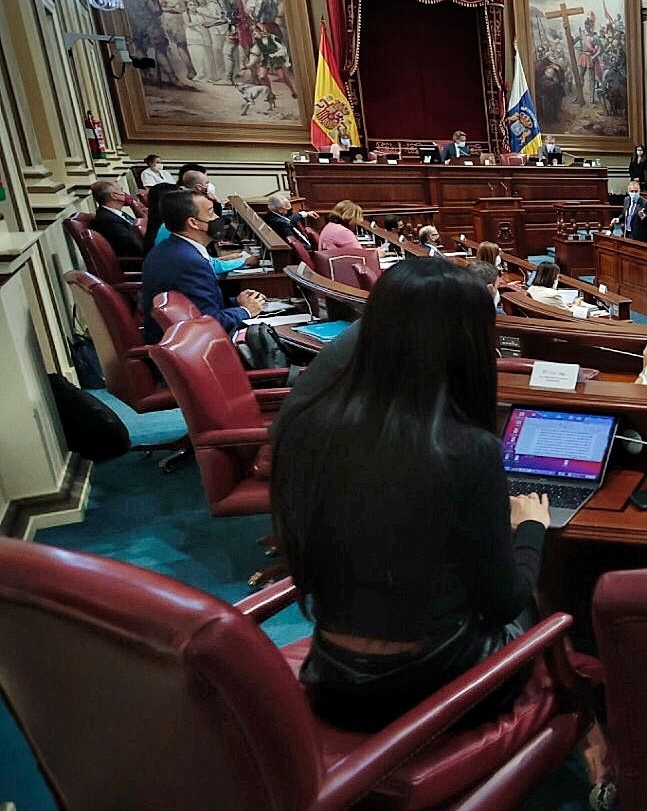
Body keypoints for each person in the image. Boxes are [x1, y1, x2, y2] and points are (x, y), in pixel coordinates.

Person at [269, 257, 551, 731]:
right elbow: (504, 601)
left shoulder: (306, 428)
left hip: (332, 680)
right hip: (433, 687)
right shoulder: (465, 449)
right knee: (544, 600)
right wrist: (530, 528)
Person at [139, 188, 263, 343]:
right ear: (193, 223)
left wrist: (237, 302)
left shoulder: (169, 248)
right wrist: (245, 311)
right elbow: (209, 323)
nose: (217, 218)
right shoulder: (189, 262)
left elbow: (200, 305)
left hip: (178, 337)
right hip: (191, 346)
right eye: (211, 213)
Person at [88, 180, 145, 257]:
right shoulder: (107, 220)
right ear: (114, 196)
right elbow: (134, 246)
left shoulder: (117, 214)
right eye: (121, 190)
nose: (125, 194)